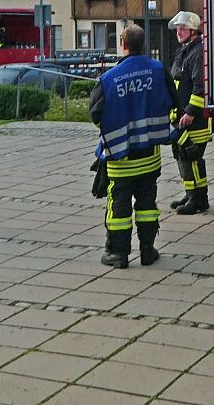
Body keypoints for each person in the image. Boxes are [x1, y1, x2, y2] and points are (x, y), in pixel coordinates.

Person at [89, 25, 177, 268]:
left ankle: (118, 254)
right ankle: (148, 251)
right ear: (143, 44)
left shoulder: (108, 79)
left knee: (119, 207)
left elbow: (95, 113)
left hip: (120, 157)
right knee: (147, 205)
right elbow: (173, 100)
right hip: (149, 155)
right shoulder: (158, 70)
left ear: (122, 43)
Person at [168, 11, 211, 215]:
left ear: (193, 30)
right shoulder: (185, 50)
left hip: (193, 120)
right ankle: (191, 192)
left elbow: (200, 86)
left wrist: (191, 111)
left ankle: (198, 199)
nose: (179, 31)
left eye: (183, 28)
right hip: (181, 118)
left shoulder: (198, 51)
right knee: (181, 156)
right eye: (177, 28)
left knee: (191, 157)